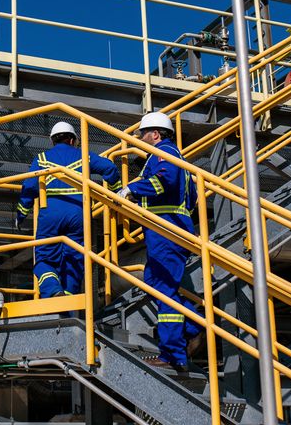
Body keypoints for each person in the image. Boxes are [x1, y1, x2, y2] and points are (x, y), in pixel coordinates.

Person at [117, 111, 202, 370]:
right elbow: (192, 197)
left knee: (163, 288)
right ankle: (193, 324)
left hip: (167, 230)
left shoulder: (164, 153)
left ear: (155, 134)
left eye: (143, 134)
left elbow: (163, 181)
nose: (140, 138)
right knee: (154, 282)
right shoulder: (174, 157)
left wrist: (133, 188)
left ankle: (173, 354)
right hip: (166, 228)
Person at [16, 121, 122, 298]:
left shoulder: (42, 159)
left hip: (51, 213)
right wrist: (115, 193)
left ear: (53, 141)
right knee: (75, 258)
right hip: (79, 214)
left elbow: (29, 187)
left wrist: (21, 214)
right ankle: (69, 299)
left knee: (44, 258)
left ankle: (53, 290)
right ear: (73, 140)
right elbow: (109, 168)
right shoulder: (84, 156)